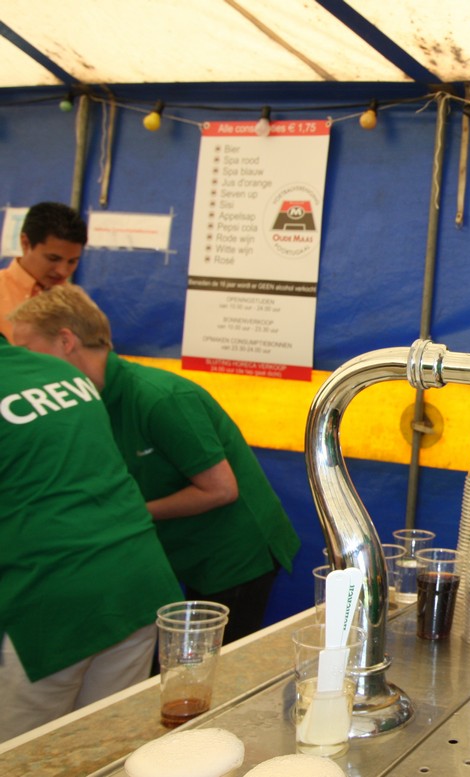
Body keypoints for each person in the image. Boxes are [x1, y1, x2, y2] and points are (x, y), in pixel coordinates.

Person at [9, 285, 301, 644]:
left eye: (26, 350)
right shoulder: (90, 400)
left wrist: (129, 513)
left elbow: (221, 490)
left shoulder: (160, 397)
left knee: (215, 663)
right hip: (185, 552)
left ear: (66, 341)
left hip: (233, 554)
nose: (23, 364)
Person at [0, 333, 183, 742]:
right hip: (134, 580)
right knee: (107, 746)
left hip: (47, 601)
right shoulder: (60, 371)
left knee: (24, 757)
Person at [0, 202, 86, 343]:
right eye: (53, 258)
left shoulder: (79, 303)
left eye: (72, 261)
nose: (63, 271)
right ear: (25, 243)